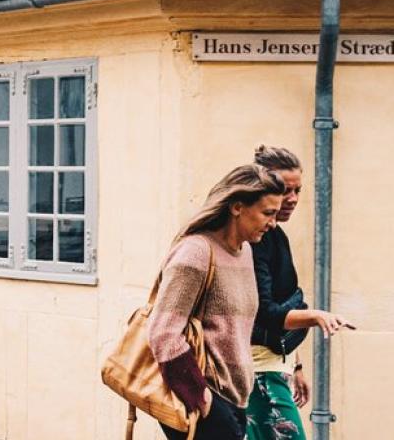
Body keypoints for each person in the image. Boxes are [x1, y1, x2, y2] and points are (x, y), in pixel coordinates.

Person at [147, 164, 286, 440]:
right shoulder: (196, 253)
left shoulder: (245, 251)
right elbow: (163, 333)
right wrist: (202, 400)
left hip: (236, 400)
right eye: (268, 213)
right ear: (237, 207)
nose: (273, 223)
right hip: (208, 402)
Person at [246, 146, 353, 440]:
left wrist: (296, 365)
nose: (292, 199)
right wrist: (315, 315)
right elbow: (266, 312)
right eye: (284, 190)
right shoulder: (257, 241)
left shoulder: (275, 235)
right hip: (258, 372)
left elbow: (280, 304)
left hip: (273, 366)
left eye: (298, 191)